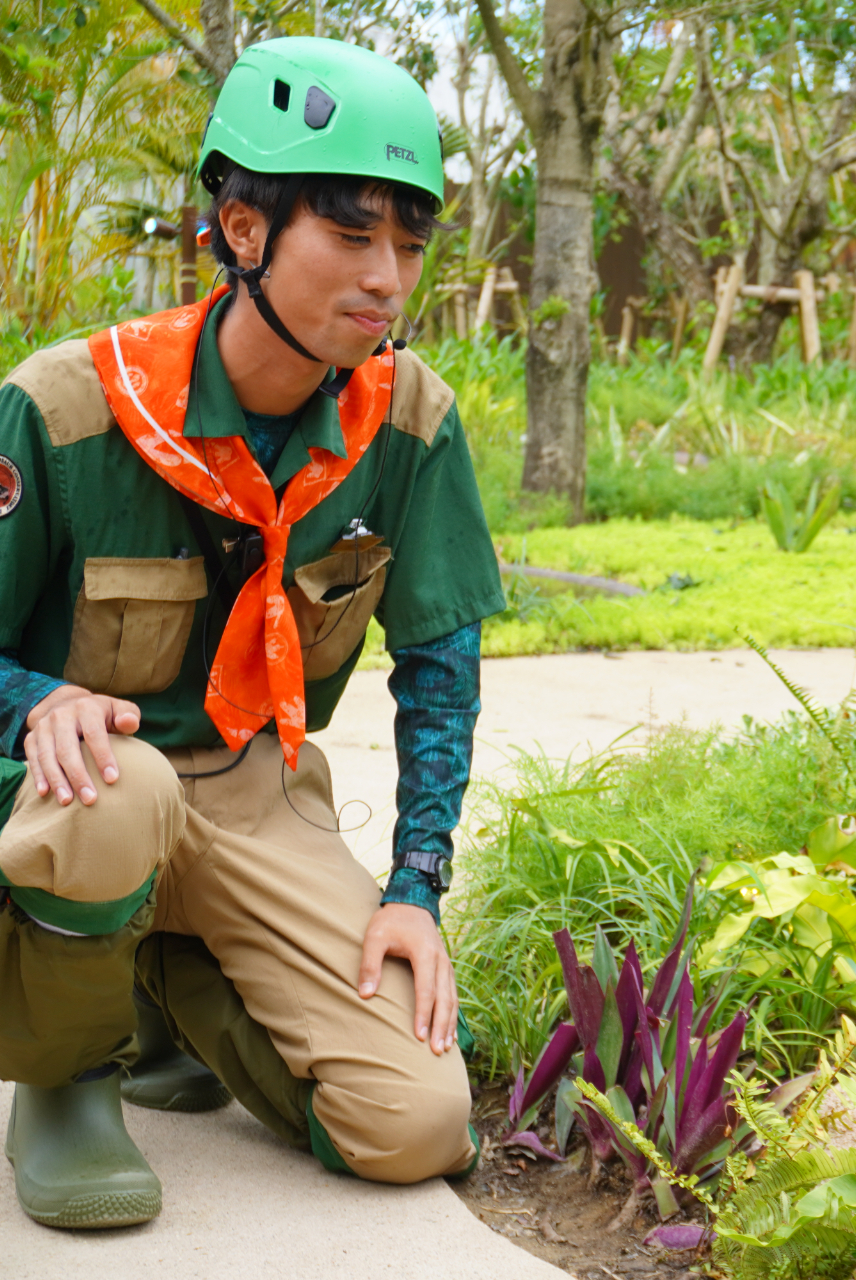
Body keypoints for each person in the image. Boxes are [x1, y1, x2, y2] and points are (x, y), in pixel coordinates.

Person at [0, 36, 504, 1228]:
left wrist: (416, 885)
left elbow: (441, 667)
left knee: (418, 1126)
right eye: (352, 233)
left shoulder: (408, 423)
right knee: (114, 789)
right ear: (242, 229)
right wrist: (34, 699)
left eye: (411, 243)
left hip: (252, 786)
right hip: (77, 788)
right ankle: (67, 1080)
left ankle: (172, 981)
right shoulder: (67, 410)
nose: (388, 276)